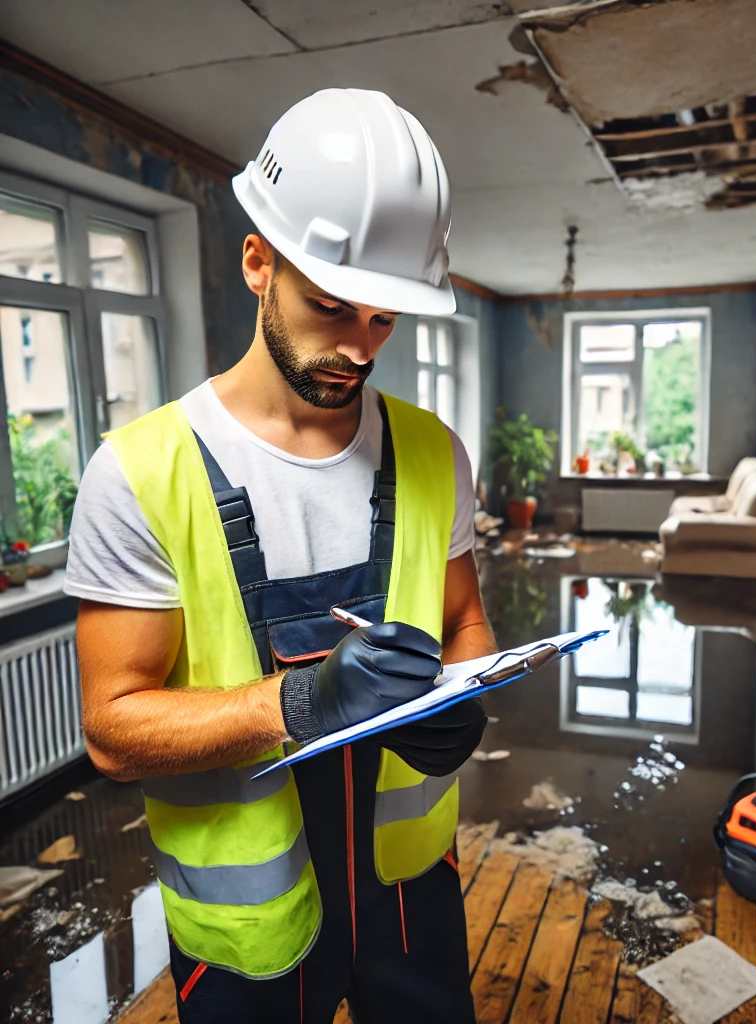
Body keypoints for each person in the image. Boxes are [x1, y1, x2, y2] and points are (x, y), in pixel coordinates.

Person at [65, 88, 496, 1024]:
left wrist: (464, 704)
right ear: (258, 262)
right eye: (331, 305)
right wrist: (299, 701)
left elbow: (465, 622)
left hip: (407, 890)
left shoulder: (432, 452)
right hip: (248, 927)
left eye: (384, 321)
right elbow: (113, 730)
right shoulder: (141, 473)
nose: (356, 348)